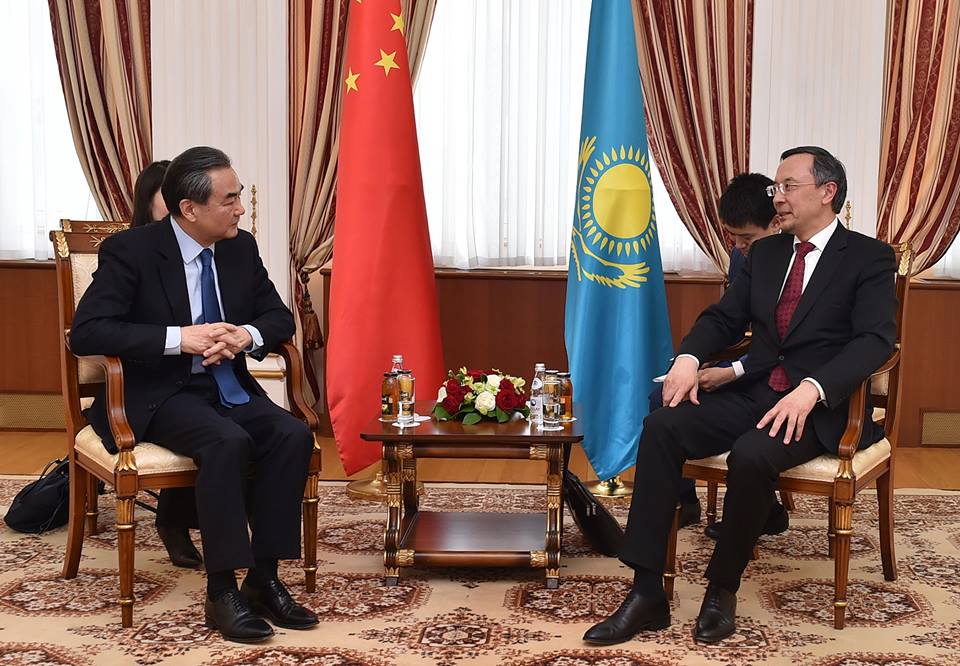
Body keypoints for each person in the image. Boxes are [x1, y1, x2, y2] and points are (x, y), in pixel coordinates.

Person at [583, 146, 896, 645]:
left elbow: (875, 341)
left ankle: (721, 589)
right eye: (776, 187)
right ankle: (646, 592)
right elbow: (724, 318)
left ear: (827, 192)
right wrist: (689, 358)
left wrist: (813, 389)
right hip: (757, 391)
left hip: (817, 409)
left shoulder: (868, 257)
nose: (778, 198)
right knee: (662, 426)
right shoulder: (766, 254)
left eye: (788, 186)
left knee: (752, 454)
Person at [71, 146, 318, 643]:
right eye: (230, 200)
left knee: (290, 434)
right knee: (226, 442)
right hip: (161, 392)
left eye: (239, 197)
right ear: (190, 208)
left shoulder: (239, 248)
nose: (241, 209)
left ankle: (263, 578)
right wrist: (177, 338)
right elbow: (88, 331)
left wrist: (245, 335)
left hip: (227, 386)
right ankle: (221, 591)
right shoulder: (132, 250)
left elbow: (278, 317)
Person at [650, 173, 785, 532]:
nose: (738, 247)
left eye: (746, 238)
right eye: (733, 237)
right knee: (666, 395)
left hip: (782, 376)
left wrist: (732, 371)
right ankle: (684, 501)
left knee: (742, 410)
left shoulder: (800, 258)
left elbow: (788, 346)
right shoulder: (744, 257)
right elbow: (729, 321)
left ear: (776, 223)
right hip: (749, 363)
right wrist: (695, 359)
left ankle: (759, 509)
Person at [131, 160, 205, 570]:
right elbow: (97, 331)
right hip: (148, 379)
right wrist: (177, 339)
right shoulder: (131, 252)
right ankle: (174, 522)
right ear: (149, 202)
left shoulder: (208, 251)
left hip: (199, 376)